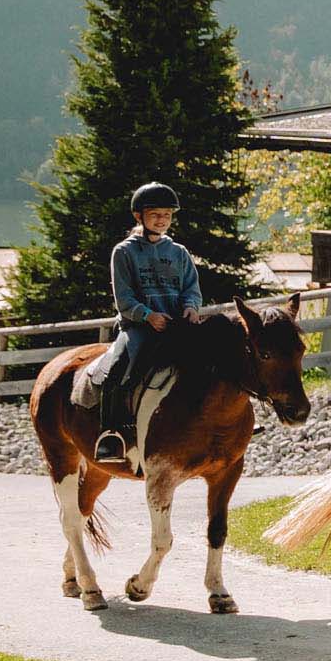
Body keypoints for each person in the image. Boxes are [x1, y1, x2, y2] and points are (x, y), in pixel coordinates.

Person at [93, 181, 201, 463]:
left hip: (177, 326)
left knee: (214, 361)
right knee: (116, 372)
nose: (162, 220)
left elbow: (192, 288)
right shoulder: (124, 252)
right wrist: (148, 316)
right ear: (139, 216)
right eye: (155, 214)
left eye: (166, 214)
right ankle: (111, 435)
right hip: (139, 328)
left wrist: (191, 307)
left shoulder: (178, 252)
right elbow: (124, 298)